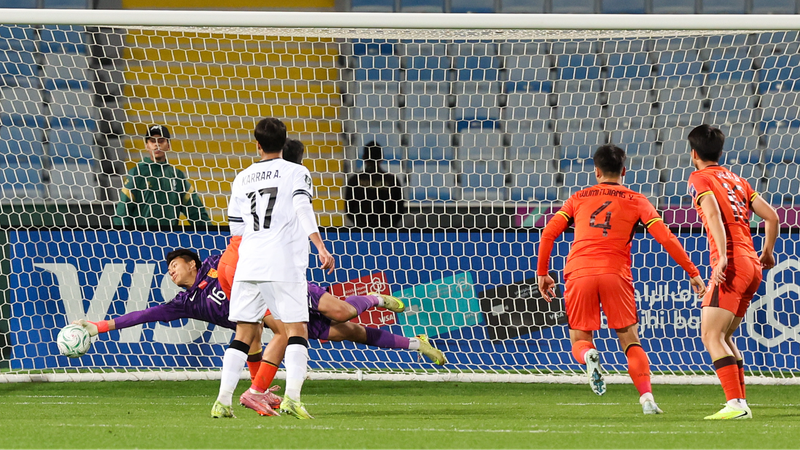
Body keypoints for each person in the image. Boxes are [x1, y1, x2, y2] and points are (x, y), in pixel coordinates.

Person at [71, 247, 444, 418]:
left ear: (192, 263)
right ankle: (415, 344)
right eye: (168, 270)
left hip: (283, 289)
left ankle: (376, 297)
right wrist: (98, 326)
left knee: (343, 310)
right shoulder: (187, 303)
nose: (170, 272)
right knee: (348, 332)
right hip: (272, 317)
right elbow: (143, 314)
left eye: (174, 266)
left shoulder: (219, 263)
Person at [537, 144, 706, 415]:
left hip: (579, 271)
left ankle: (588, 356)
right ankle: (647, 398)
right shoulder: (636, 199)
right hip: (615, 273)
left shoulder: (577, 198)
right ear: (623, 171)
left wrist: (543, 273)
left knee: (580, 339)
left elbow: (548, 234)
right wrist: (693, 272)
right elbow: (666, 237)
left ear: (596, 172)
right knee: (630, 340)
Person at [213, 118, 334, 420]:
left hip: (248, 261)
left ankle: (223, 401)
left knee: (243, 332)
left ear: (257, 144)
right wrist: (319, 246)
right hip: (282, 261)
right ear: (284, 142)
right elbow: (303, 208)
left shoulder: (242, 178)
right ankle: (292, 398)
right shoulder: (297, 172)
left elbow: (236, 228)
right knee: (297, 329)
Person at [685, 125, 779, 420]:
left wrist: (723, 256)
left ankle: (736, 405)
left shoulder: (699, 178)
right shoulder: (738, 180)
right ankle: (740, 403)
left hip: (733, 263)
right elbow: (773, 217)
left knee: (711, 334)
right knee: (724, 335)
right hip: (752, 263)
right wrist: (767, 252)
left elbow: (711, 212)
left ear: (694, 153)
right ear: (720, 152)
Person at [113, 124, 211, 228]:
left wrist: (211, 233)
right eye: (152, 141)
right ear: (146, 145)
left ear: (168, 145)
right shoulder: (136, 173)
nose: (157, 144)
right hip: (142, 239)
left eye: (161, 141)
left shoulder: (177, 176)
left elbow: (196, 211)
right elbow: (122, 212)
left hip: (170, 239)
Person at [344, 141, 405, 228]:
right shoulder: (392, 180)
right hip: (386, 230)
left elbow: (349, 209)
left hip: (361, 230)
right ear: (382, 158)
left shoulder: (355, 180)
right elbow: (399, 210)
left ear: (364, 157)